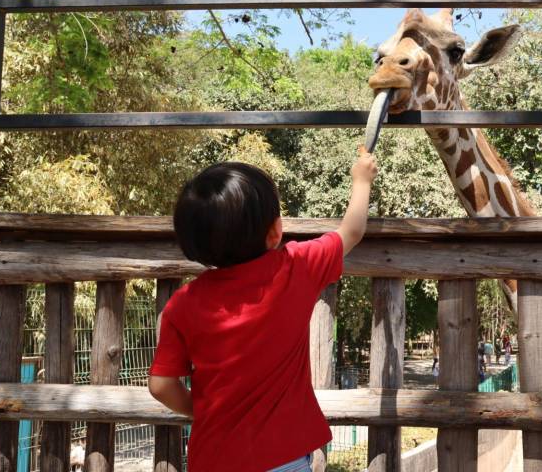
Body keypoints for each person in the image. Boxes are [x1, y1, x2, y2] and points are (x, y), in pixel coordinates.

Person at [148, 148, 378, 472]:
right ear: (275, 231)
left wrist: (204, 409)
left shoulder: (182, 304)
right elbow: (351, 231)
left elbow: (161, 386)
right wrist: (362, 179)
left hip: (212, 459)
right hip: (283, 458)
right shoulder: (297, 267)